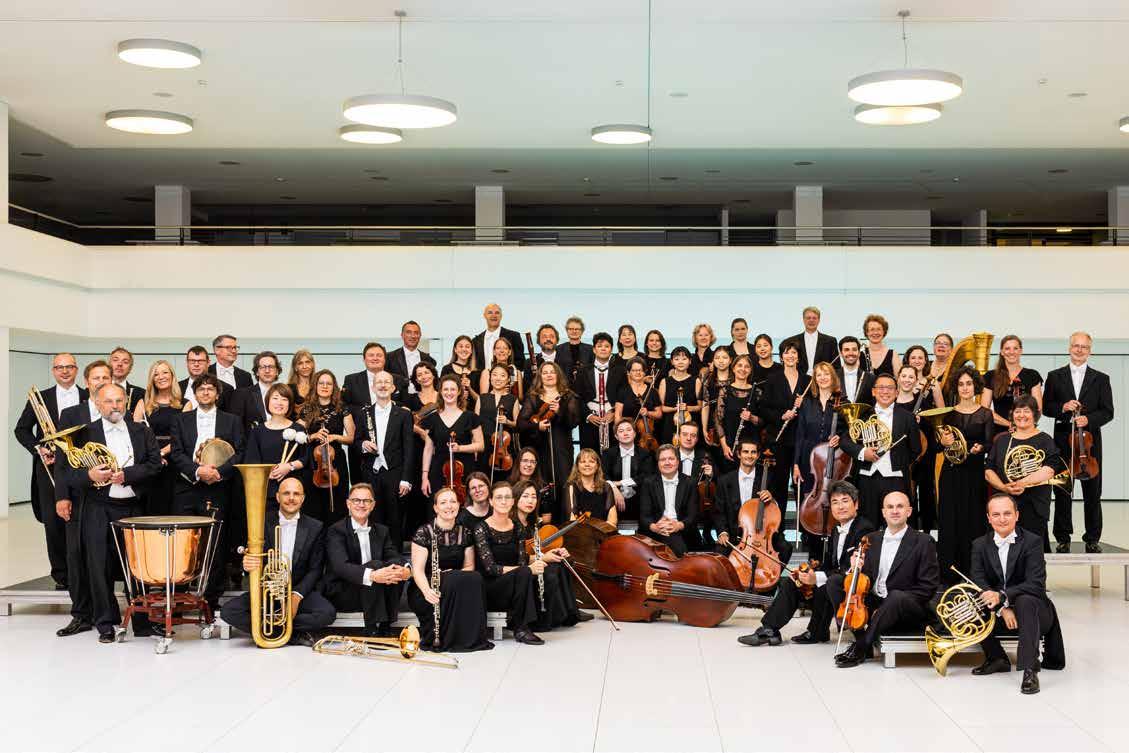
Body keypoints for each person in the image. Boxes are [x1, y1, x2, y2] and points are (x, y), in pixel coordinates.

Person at [57, 383, 161, 643]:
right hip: (98, 507)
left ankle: (143, 622)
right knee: (98, 566)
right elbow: (68, 473)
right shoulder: (84, 433)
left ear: (126, 402)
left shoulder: (142, 430)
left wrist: (128, 474)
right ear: (97, 403)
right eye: (108, 401)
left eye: (119, 400)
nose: (115, 406)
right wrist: (89, 475)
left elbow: (155, 464)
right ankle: (105, 623)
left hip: (133, 508)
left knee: (137, 568)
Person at [739, 480, 874, 646]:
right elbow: (830, 566)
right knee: (792, 582)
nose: (840, 507)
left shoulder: (864, 528)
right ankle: (769, 630)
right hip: (835, 581)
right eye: (835, 502)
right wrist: (808, 572)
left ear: (856, 504)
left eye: (845, 501)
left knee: (828, 582)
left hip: (852, 589)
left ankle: (817, 631)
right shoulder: (836, 530)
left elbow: (849, 569)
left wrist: (816, 578)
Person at [220, 477, 336, 647]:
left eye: (296, 494)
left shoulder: (315, 527)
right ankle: (292, 634)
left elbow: (315, 569)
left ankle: (269, 628)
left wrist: (296, 597)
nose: (291, 498)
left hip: (298, 589)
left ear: (303, 498)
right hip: (266, 590)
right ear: (277, 496)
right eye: (286, 493)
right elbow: (250, 554)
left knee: (327, 613)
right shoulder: (261, 522)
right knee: (228, 611)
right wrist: (247, 565)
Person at [969, 494, 1066, 695]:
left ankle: (1030, 670)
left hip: (1035, 612)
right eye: (996, 514)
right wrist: (1002, 608)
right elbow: (978, 581)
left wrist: (1003, 597)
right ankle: (997, 658)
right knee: (970, 602)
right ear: (988, 518)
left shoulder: (1033, 542)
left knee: (1025, 601)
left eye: (1007, 513)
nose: (1002, 519)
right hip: (1000, 613)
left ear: (1017, 515)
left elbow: (1036, 584)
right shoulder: (979, 544)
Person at [831, 491, 940, 668]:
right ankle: (862, 637)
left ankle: (861, 647)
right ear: (883, 512)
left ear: (909, 511)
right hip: (875, 601)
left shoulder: (924, 541)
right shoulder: (870, 539)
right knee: (835, 582)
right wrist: (855, 568)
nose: (894, 511)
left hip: (906, 606)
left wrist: (889, 605)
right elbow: (863, 581)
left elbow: (928, 587)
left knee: (896, 596)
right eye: (890, 507)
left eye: (900, 506)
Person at [168, 373, 244, 607]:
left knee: (215, 544)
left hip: (218, 487)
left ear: (217, 394)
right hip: (187, 487)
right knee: (183, 544)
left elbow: (240, 452)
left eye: (211, 389)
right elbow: (176, 453)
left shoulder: (232, 421)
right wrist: (198, 471)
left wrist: (218, 472)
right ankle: (179, 599)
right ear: (194, 393)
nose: (206, 392)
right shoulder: (180, 420)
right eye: (201, 389)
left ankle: (211, 599)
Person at [13, 352, 86, 591]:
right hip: (49, 469)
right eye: (59, 367)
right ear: (53, 371)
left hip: (80, 466)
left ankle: (82, 570)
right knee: (53, 523)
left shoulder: (88, 397)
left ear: (76, 370)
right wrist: (39, 449)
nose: (64, 371)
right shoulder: (40, 398)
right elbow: (21, 430)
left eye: (69, 367)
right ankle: (62, 575)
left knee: (81, 518)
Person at [1043, 332, 1114, 553]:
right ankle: (1063, 537)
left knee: (1093, 493)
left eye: (1084, 347)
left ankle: (1092, 538)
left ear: (1090, 351)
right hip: (1062, 442)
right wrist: (1062, 407)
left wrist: (1089, 419)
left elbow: (1108, 412)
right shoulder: (1054, 376)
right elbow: (1046, 408)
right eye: (1076, 345)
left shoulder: (1101, 378)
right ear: (1069, 348)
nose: (1079, 350)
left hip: (1089, 445)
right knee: (1062, 490)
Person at [408, 488, 494, 652]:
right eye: (443, 502)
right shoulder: (424, 532)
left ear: (459, 505)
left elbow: (469, 567)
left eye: (453, 501)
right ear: (435, 508)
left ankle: (470, 638)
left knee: (476, 577)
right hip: (427, 587)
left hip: (455, 584)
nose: (449, 506)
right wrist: (427, 591)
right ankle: (443, 637)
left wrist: (453, 575)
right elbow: (417, 571)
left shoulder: (465, 532)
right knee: (455, 579)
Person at [323, 482, 412, 638]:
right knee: (376, 565)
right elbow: (340, 567)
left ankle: (385, 625)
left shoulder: (382, 530)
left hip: (376, 592)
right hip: (345, 592)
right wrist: (372, 575)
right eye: (356, 500)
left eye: (366, 501)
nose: (361, 504)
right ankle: (372, 628)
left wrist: (406, 569)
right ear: (348, 504)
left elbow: (393, 555)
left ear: (373, 505)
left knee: (395, 566)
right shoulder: (336, 530)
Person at [839, 373, 921, 526]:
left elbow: (916, 449)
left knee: (895, 525)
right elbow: (845, 441)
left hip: (895, 479)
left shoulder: (908, 417)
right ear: (873, 391)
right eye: (881, 387)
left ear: (897, 392)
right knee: (866, 525)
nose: (885, 391)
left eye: (890, 388)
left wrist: (897, 461)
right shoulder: (862, 415)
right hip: (866, 479)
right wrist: (863, 453)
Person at [936, 366, 994, 581]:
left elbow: (990, 444)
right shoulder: (947, 414)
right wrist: (943, 442)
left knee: (974, 519)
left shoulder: (986, 414)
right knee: (950, 520)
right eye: (961, 384)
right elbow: (937, 446)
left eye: (969, 383)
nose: (965, 388)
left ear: (975, 386)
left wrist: (981, 448)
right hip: (951, 473)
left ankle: (974, 572)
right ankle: (949, 573)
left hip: (974, 473)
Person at [985, 395, 1059, 551]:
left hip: (1034, 504)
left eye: (1026, 411)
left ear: (1035, 414)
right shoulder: (1002, 440)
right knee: (1005, 551)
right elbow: (989, 470)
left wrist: (1022, 483)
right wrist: (1004, 487)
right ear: (1012, 414)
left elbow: (1049, 470)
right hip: (1006, 503)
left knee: (1032, 551)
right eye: (1018, 411)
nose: (1021, 415)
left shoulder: (1045, 440)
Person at [473, 482, 544, 644]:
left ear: (513, 501)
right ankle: (521, 627)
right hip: (490, 588)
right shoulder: (481, 528)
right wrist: (525, 570)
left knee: (526, 572)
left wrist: (525, 570)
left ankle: (523, 626)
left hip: (514, 583)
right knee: (525, 572)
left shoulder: (518, 527)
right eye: (499, 497)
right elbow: (491, 569)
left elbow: (521, 562)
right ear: (491, 501)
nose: (504, 501)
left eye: (507, 497)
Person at [513, 480, 589, 629]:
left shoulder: (532, 524)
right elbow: (517, 557)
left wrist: (556, 551)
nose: (530, 500)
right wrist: (544, 557)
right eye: (525, 496)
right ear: (515, 498)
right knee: (551, 571)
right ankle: (544, 619)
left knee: (561, 564)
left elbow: (536, 549)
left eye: (534, 497)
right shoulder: (511, 524)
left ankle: (568, 612)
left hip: (533, 562)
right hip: (519, 569)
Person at [354, 371, 415, 542]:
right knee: (373, 517)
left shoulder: (403, 414)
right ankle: (375, 554)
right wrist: (363, 445)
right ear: (373, 388)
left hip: (395, 473)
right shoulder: (364, 413)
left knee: (395, 518)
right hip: (371, 473)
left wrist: (406, 479)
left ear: (393, 388)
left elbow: (409, 448)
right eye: (379, 382)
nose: (382, 385)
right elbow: (356, 442)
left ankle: (394, 554)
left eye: (386, 382)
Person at [711, 439, 791, 565]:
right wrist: (722, 532)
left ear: (758, 455)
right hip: (733, 535)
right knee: (719, 553)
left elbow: (778, 508)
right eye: (746, 452)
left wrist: (772, 500)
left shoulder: (768, 478)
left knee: (785, 548)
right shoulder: (725, 481)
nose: (749, 456)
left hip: (761, 533)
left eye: (753, 452)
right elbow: (718, 511)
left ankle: (770, 577)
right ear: (739, 454)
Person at [518, 361, 579, 523]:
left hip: (562, 449)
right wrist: (537, 426)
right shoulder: (533, 397)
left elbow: (574, 421)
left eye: (552, 372)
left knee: (564, 483)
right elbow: (520, 424)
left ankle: (564, 525)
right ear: (540, 376)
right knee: (542, 485)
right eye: (545, 372)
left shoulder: (568, 396)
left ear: (558, 375)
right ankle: (543, 527)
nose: (549, 375)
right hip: (540, 449)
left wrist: (559, 411)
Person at [132, 359, 187, 515]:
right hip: (148, 462)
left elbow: (182, 437)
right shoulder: (143, 403)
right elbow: (135, 435)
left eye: (165, 372)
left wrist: (160, 453)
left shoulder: (185, 404)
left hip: (174, 462)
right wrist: (154, 456)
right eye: (156, 374)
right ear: (152, 379)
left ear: (172, 376)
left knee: (173, 509)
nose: (161, 377)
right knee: (150, 509)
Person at [298, 369, 354, 524]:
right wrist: (313, 436)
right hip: (313, 461)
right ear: (315, 386)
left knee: (337, 504)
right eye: (321, 383)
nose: (324, 386)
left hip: (335, 460)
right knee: (312, 504)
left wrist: (334, 437)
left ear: (333, 387)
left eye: (328, 383)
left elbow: (351, 438)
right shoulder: (307, 408)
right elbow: (297, 436)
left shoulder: (342, 408)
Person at [763, 340, 811, 509]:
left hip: (801, 440)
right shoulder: (772, 379)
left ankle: (803, 524)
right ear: (781, 357)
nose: (790, 356)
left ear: (798, 357)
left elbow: (814, 409)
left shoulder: (808, 380)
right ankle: (778, 524)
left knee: (802, 484)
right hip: (779, 440)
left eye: (794, 352)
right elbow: (764, 408)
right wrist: (781, 416)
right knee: (779, 485)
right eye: (786, 352)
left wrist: (805, 403)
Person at [242, 383, 309, 504]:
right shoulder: (257, 431)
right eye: (275, 398)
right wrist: (266, 473)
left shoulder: (298, 429)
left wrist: (289, 466)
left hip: (292, 491)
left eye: (284, 399)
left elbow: (305, 459)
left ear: (290, 404)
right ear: (267, 402)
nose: (279, 403)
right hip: (265, 490)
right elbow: (251, 461)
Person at [421, 374, 484, 497]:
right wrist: (424, 476)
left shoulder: (471, 417)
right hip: (439, 471)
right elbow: (428, 449)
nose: (449, 393)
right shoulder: (432, 419)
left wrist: (460, 448)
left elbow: (480, 445)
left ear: (459, 392)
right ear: (440, 392)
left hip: (465, 470)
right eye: (445, 389)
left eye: (453, 389)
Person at [638, 444, 700, 555]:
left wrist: (678, 525)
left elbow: (693, 515)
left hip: (683, 531)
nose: (667, 462)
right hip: (655, 531)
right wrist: (655, 527)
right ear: (658, 463)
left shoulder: (690, 483)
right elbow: (644, 515)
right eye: (663, 459)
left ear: (678, 461)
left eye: (671, 459)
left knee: (676, 543)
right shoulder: (648, 482)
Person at [575, 332, 625, 452]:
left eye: (607, 346)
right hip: (590, 419)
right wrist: (588, 415)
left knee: (613, 454)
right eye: (599, 346)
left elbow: (623, 395)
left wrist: (614, 412)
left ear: (611, 349)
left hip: (611, 418)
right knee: (589, 454)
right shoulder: (583, 371)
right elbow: (577, 396)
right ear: (594, 349)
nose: (603, 349)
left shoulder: (620, 371)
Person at [982, 335, 1044, 431]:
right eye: (1007, 348)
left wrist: (1023, 427)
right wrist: (1009, 425)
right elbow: (985, 410)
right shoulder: (990, 376)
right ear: (1002, 352)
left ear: (1021, 351)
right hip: (999, 432)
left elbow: (1038, 409)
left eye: (1015, 348)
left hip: (1026, 431)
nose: (1011, 352)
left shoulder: (1032, 375)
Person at [600, 419, 654, 522]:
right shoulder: (608, 454)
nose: (625, 433)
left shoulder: (645, 454)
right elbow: (603, 475)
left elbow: (646, 476)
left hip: (639, 500)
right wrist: (614, 488)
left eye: (629, 430)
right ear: (616, 436)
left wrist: (620, 483)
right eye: (621, 431)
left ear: (634, 434)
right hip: (613, 499)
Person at [476, 364, 520, 481]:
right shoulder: (482, 398)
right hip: (484, 446)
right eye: (494, 375)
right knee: (484, 479)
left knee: (503, 481)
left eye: (502, 375)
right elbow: (475, 425)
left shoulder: (513, 399)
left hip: (503, 448)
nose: (498, 378)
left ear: (508, 379)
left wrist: (507, 421)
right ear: (490, 378)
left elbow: (518, 424)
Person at [716, 354, 760, 469]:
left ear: (750, 370)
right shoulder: (724, 391)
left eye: (747, 366)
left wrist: (751, 417)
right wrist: (724, 446)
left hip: (750, 448)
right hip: (729, 445)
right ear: (733, 368)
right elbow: (718, 421)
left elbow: (763, 421)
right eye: (739, 365)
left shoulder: (757, 392)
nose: (743, 369)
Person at [228, 351, 283, 436]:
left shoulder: (285, 394)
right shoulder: (242, 394)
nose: (267, 371)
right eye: (263, 367)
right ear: (257, 372)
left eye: (271, 367)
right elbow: (235, 427)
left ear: (277, 371)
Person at [342, 342, 407, 410]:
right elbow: (344, 404)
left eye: (379, 355)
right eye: (371, 355)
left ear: (385, 359)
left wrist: (393, 404)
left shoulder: (399, 380)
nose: (375, 358)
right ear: (364, 359)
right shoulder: (351, 380)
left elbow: (405, 404)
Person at [565, 448, 624, 525]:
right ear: (577, 466)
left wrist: (599, 531)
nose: (587, 465)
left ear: (597, 466)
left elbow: (612, 520)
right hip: (579, 531)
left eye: (591, 462)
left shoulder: (606, 487)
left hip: (603, 531)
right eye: (583, 462)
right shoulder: (571, 487)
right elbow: (572, 519)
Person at [658, 346, 701, 443]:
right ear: (672, 362)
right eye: (677, 359)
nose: (680, 362)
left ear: (690, 361)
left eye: (684, 359)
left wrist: (687, 408)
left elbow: (700, 406)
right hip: (670, 424)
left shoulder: (696, 381)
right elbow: (661, 407)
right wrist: (675, 409)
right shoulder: (665, 382)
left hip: (690, 423)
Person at [472, 302, 526, 370]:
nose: (493, 315)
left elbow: (520, 363)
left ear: (501, 316)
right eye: (490, 312)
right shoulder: (475, 341)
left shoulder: (514, 336)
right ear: (484, 315)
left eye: (497, 313)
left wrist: (507, 373)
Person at [387, 320, 437, 392]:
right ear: (402, 335)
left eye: (416, 333)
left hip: (424, 397)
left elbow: (434, 381)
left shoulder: (429, 359)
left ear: (420, 335)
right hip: (399, 398)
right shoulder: (389, 357)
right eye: (409, 332)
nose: (413, 336)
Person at [788, 306, 838, 376]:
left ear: (819, 320)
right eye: (808, 318)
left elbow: (836, 366)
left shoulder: (830, 341)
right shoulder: (792, 341)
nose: (811, 320)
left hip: (822, 379)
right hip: (798, 379)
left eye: (814, 318)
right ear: (803, 320)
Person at [180, 344, 231, 410]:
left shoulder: (226, 389)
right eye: (192, 361)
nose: (196, 364)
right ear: (187, 363)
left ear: (208, 363)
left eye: (200, 361)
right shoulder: (177, 387)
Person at [479, 335, 523, 402]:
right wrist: (499, 391)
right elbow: (483, 399)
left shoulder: (517, 373)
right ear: (494, 352)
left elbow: (520, 398)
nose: (501, 351)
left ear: (509, 352)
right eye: (498, 348)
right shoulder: (487, 372)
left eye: (505, 348)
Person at [441, 335, 479, 408]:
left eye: (467, 347)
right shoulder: (446, 369)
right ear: (455, 349)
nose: (464, 349)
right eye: (461, 346)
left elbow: (481, 400)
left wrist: (469, 388)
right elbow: (441, 393)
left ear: (471, 351)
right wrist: (459, 394)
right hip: (451, 410)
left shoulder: (477, 372)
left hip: (472, 411)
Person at [835, 336, 875, 405]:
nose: (851, 353)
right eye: (846, 350)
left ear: (859, 353)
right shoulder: (833, 376)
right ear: (841, 353)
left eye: (854, 349)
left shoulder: (871, 378)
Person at [108, 346, 146, 415]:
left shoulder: (142, 394)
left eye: (125, 362)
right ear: (109, 365)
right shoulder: (97, 390)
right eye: (115, 360)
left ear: (130, 368)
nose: (119, 364)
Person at [556, 315, 593, 383]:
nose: (574, 331)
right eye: (571, 329)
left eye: (577, 329)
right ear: (567, 331)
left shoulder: (590, 349)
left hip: (585, 385)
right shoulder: (558, 349)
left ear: (582, 331)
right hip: (564, 386)